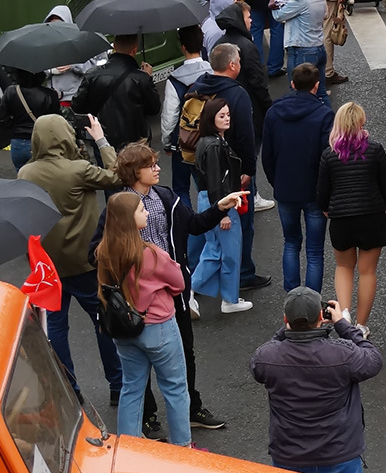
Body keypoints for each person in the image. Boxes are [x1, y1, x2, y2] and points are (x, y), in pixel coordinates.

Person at [250, 286, 382, 473]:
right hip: (341, 459)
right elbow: (373, 358)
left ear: (285, 319)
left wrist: (286, 332)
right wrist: (344, 326)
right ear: (322, 317)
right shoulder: (343, 354)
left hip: (290, 462)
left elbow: (258, 366)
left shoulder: (269, 356)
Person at [18, 113, 122, 400]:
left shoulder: (26, 173)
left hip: (48, 267)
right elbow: (117, 175)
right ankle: (117, 384)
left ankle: (69, 389)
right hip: (84, 263)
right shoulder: (78, 169)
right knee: (103, 323)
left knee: (56, 328)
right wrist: (100, 139)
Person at [96, 192, 196, 446]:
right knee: (174, 388)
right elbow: (178, 283)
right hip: (159, 327)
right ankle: (182, 448)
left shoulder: (105, 251)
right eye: (142, 210)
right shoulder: (150, 254)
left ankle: (129, 447)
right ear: (129, 219)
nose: (147, 213)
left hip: (124, 330)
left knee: (132, 388)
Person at [186, 44, 270, 290]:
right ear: (232, 65)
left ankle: (194, 269)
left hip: (200, 160)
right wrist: (248, 172)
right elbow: (246, 135)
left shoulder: (198, 86)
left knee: (206, 217)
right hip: (230, 168)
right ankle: (242, 275)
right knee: (240, 224)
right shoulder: (237, 94)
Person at [318, 102, 386, 334]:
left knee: (343, 266)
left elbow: (322, 192)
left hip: (341, 219)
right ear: (362, 123)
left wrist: (327, 209)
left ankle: (344, 314)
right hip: (371, 216)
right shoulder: (375, 149)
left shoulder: (329, 155)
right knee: (367, 272)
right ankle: (361, 326)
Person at [263, 64, 335, 293]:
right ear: (316, 86)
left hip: (286, 189)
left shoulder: (274, 113)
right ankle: (312, 303)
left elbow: (268, 156)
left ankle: (291, 299)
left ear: (292, 84)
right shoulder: (324, 115)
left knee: (291, 243)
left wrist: (277, 182)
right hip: (314, 192)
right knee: (314, 251)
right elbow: (328, 158)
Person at [189, 95, 253, 313]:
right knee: (228, 251)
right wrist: (223, 213)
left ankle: (197, 293)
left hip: (210, 200)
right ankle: (227, 298)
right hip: (221, 202)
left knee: (214, 249)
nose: (227, 119)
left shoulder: (206, 142)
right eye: (222, 115)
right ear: (211, 118)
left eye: (227, 115)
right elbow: (218, 181)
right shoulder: (216, 145)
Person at [72, 35, 160, 150]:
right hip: (136, 143)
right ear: (134, 50)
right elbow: (154, 109)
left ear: (114, 47)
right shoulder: (141, 78)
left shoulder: (92, 75)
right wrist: (147, 78)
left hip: (103, 141)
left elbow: (78, 106)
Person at [160, 25, 210, 204]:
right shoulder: (213, 72)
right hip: (209, 137)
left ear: (182, 47)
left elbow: (170, 116)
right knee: (208, 186)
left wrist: (167, 142)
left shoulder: (175, 79)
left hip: (183, 140)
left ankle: (189, 230)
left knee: (181, 189)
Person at [214, 0, 274, 135]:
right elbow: (257, 81)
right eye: (248, 17)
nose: (251, 20)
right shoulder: (247, 46)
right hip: (249, 108)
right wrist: (268, 106)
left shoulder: (218, 44)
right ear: (240, 20)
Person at [275, 0, 328, 94]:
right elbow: (326, 15)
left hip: (301, 50)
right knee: (320, 91)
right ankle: (327, 115)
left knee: (298, 91)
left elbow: (279, 15)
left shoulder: (301, 0)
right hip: (319, 47)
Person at [0, 69, 62, 170]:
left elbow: (1, 120)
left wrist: (16, 127)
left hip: (18, 142)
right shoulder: (49, 94)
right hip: (41, 142)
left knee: (22, 178)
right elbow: (56, 123)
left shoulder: (10, 92)